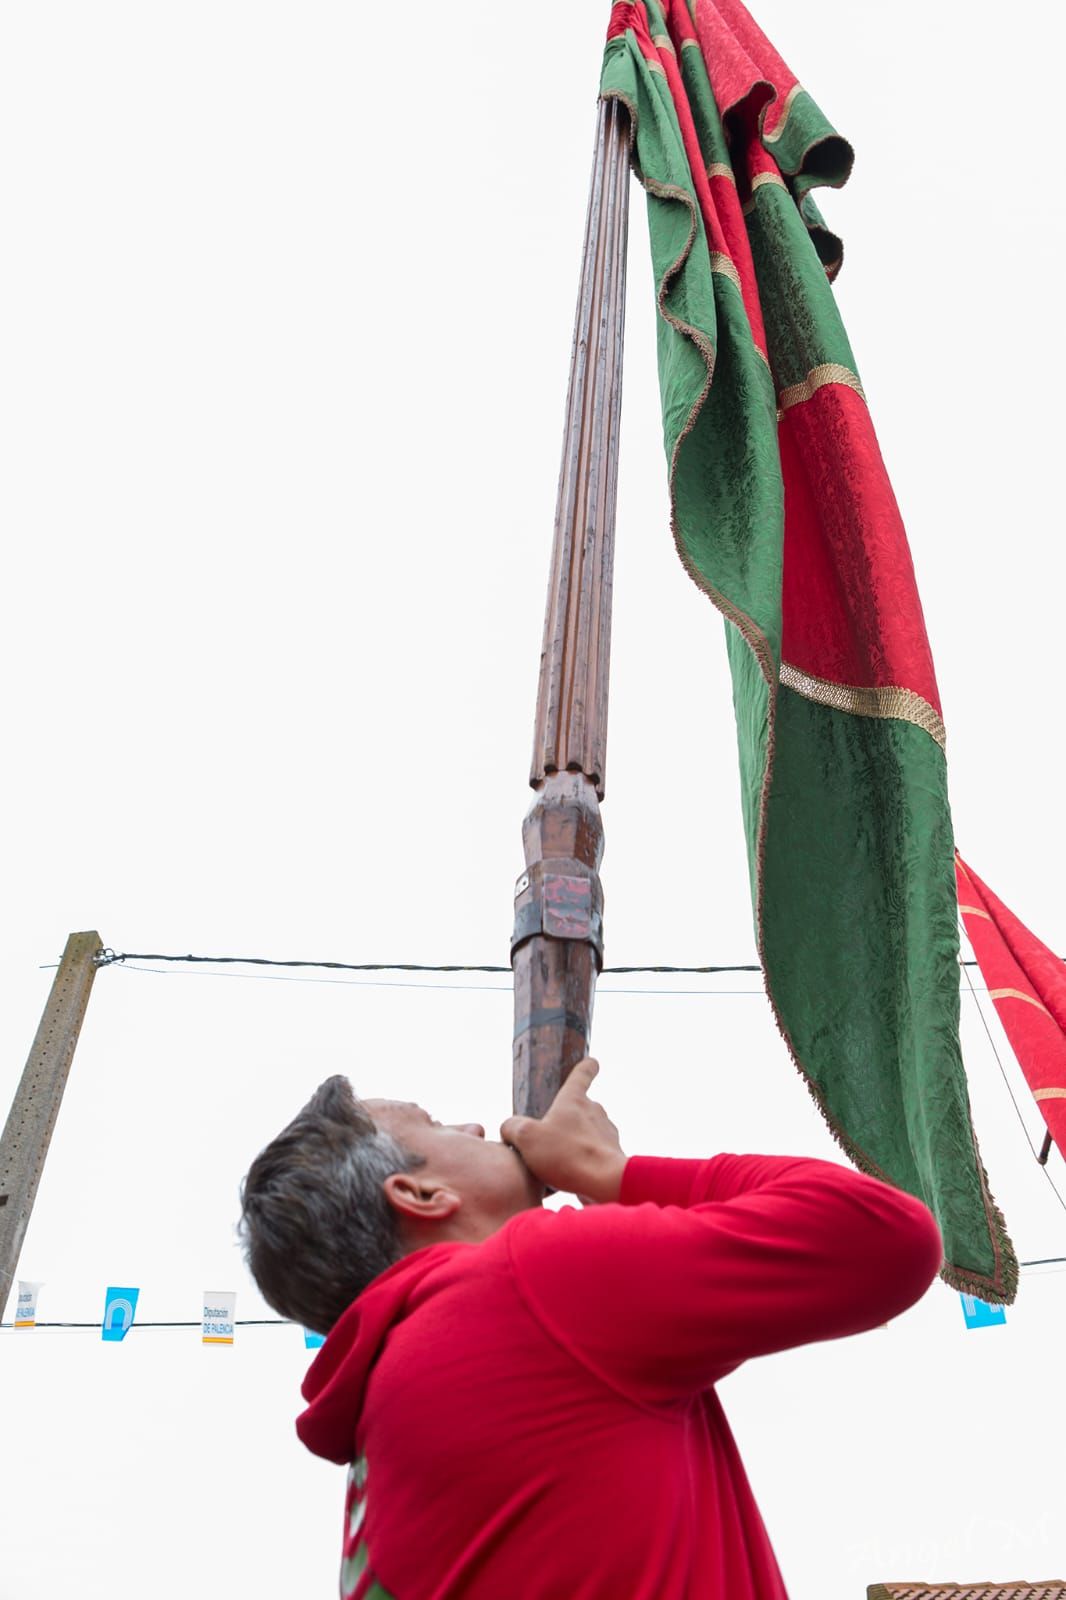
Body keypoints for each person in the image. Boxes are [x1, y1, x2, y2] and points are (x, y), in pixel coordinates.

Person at [238, 1058, 942, 1600]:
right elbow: (885, 1238)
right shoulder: (520, 1286)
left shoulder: (390, 1405)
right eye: (438, 1124)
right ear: (421, 1194)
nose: (477, 1128)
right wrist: (606, 1169)